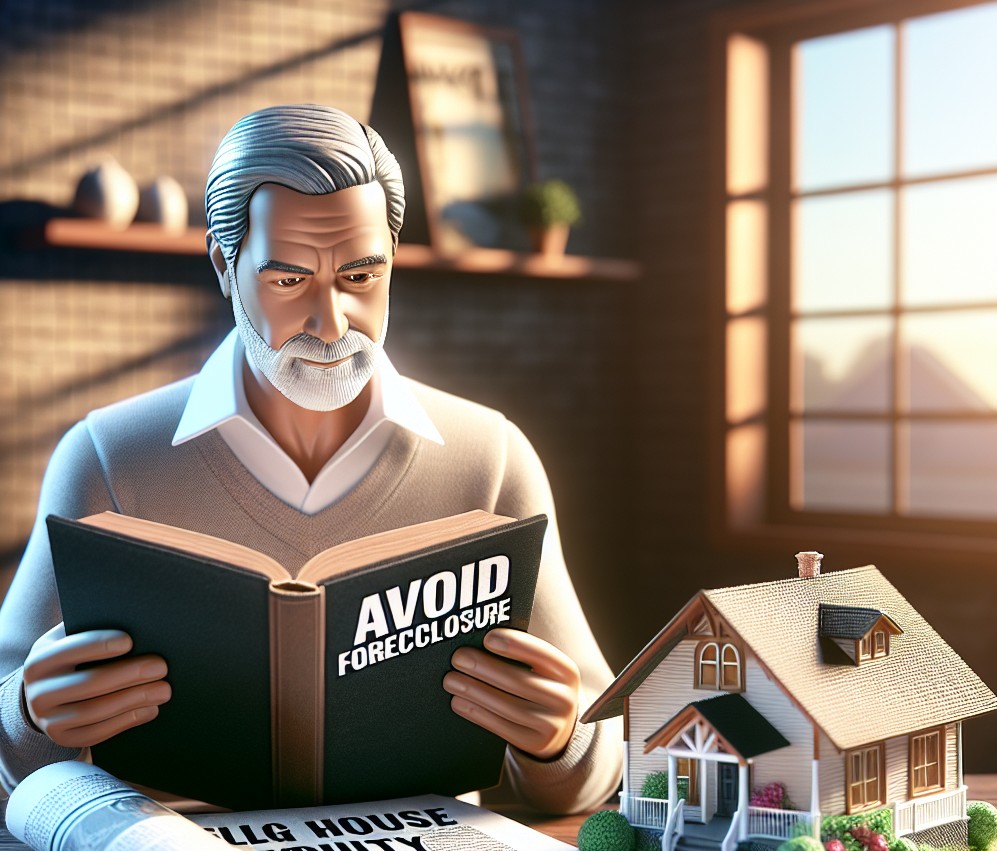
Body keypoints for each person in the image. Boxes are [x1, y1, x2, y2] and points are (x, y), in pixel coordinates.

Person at [0, 104, 621, 813]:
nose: (331, 326)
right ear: (223, 266)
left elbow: (601, 741)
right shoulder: (106, 457)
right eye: (289, 281)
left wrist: (560, 736)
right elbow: (7, 725)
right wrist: (28, 714)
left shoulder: (492, 456)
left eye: (361, 278)